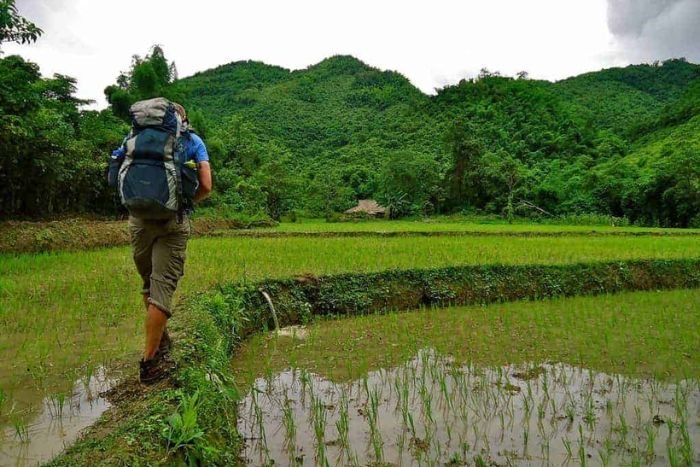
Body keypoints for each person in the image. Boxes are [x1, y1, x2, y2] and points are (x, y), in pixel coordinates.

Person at [111, 102, 212, 383]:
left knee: (148, 285)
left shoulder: (133, 138)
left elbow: (116, 174)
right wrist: (184, 202)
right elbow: (206, 185)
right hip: (172, 223)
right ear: (181, 119)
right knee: (162, 289)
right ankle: (149, 363)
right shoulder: (192, 140)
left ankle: (161, 340)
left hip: (138, 220)